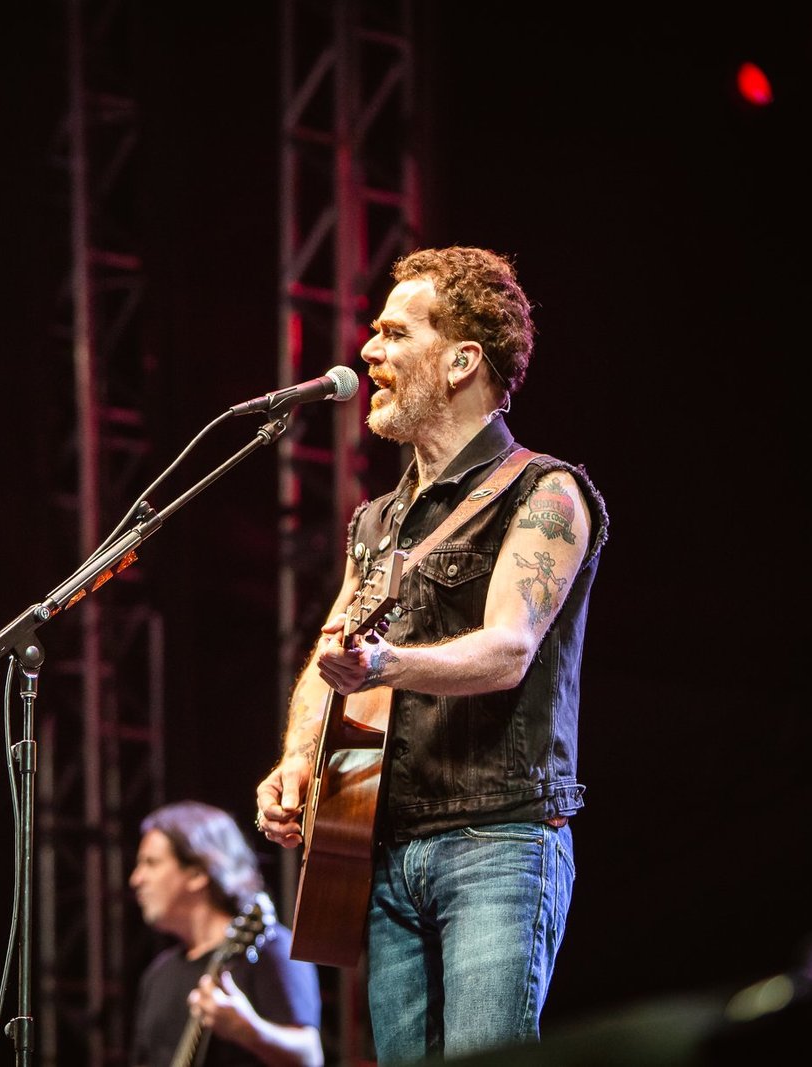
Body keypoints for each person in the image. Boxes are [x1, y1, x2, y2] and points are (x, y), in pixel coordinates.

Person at [254, 246, 609, 1063]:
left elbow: (509, 649)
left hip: (498, 841)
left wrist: (385, 666)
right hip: (384, 848)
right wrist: (299, 758)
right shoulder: (376, 520)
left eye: (394, 333)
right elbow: (330, 654)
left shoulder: (545, 492)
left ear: (461, 361)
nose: (367, 351)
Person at [129, 800, 325, 1067]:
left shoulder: (270, 948)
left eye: (151, 863)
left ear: (197, 872)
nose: (136, 879)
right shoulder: (158, 974)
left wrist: (249, 1030)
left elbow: (310, 1056)